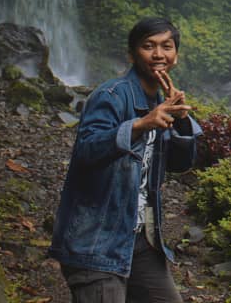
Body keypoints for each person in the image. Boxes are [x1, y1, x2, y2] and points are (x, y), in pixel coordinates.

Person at [50, 16, 202, 303]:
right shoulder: (111, 96)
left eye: (166, 46)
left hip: (140, 239)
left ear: (176, 56)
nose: (159, 54)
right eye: (148, 46)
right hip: (97, 240)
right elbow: (87, 150)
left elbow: (180, 165)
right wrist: (140, 124)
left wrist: (182, 121)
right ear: (132, 54)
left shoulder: (161, 102)